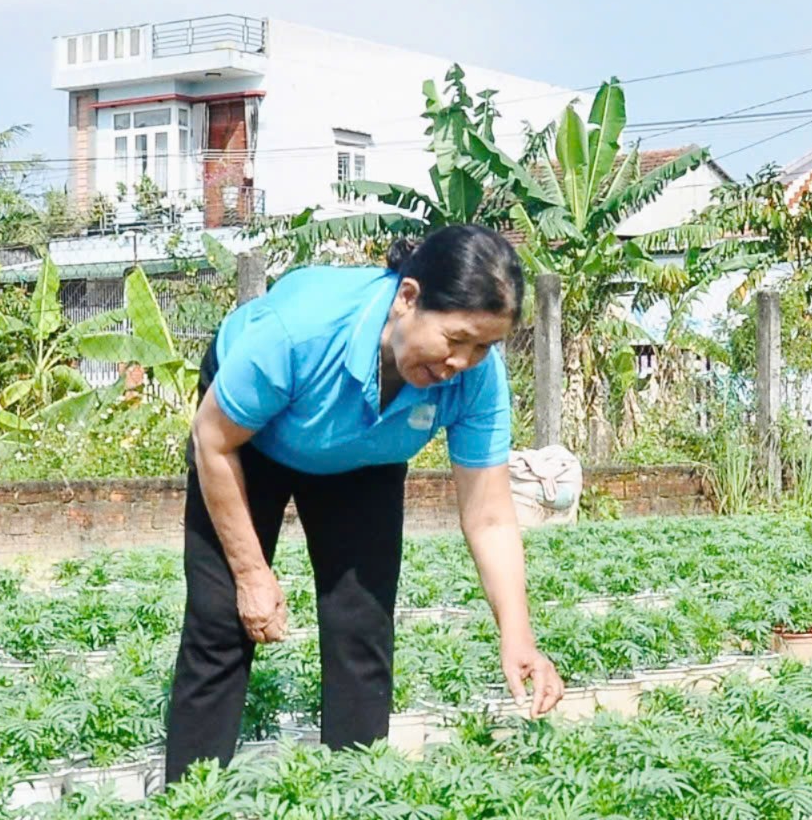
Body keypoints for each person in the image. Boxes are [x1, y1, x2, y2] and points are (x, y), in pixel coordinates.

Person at [165, 224, 564, 784]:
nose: (462, 363)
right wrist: (252, 573)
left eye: (484, 347)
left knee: (361, 624)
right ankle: (188, 815)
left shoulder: (476, 381)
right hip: (244, 444)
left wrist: (517, 633)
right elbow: (214, 440)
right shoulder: (299, 330)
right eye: (456, 339)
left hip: (363, 456)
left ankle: (352, 807)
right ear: (408, 299)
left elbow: (490, 514)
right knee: (221, 621)